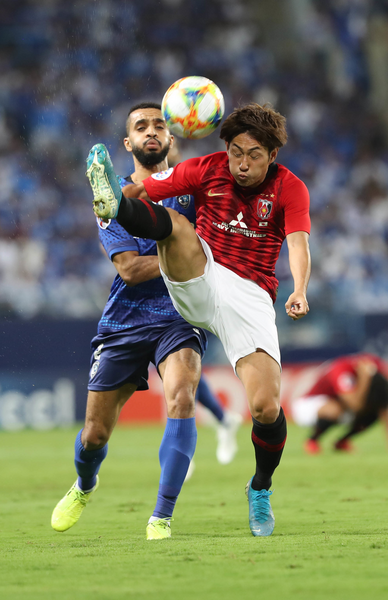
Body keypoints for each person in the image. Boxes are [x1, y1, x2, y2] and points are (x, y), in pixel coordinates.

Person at [86, 102, 311, 537]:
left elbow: (299, 243)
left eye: (254, 155)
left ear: (272, 156)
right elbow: (147, 190)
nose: (242, 164)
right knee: (173, 222)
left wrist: (299, 289)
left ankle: (260, 487)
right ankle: (109, 200)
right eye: (236, 153)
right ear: (225, 148)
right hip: (201, 275)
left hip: (250, 295)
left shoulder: (291, 188)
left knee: (265, 408)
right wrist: (117, 200)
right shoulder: (206, 168)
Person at [51, 102, 241, 541]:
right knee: (94, 435)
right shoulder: (110, 195)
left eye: (160, 125)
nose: (151, 131)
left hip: (179, 314)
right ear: (128, 142)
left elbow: (223, 236)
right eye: (141, 127)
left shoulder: (193, 190)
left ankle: (161, 516)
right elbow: (131, 270)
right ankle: (84, 484)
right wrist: (189, 255)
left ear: (173, 138)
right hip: (125, 320)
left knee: (181, 398)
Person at [292, 354, 388, 454]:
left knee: (372, 411)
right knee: (334, 409)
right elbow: (355, 406)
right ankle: (312, 440)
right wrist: (364, 379)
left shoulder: (376, 368)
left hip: (340, 406)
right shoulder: (342, 369)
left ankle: (342, 442)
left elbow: (384, 404)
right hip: (308, 405)